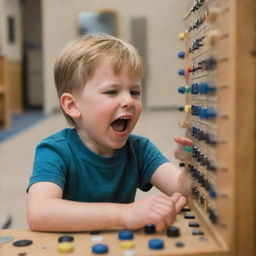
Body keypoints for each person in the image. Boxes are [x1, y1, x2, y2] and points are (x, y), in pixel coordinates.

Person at [27, 34, 192, 233]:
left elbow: (184, 191)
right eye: (112, 92)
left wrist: (190, 167)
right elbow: (39, 213)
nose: (128, 101)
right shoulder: (55, 151)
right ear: (72, 105)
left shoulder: (139, 149)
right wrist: (124, 214)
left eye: (134, 92)